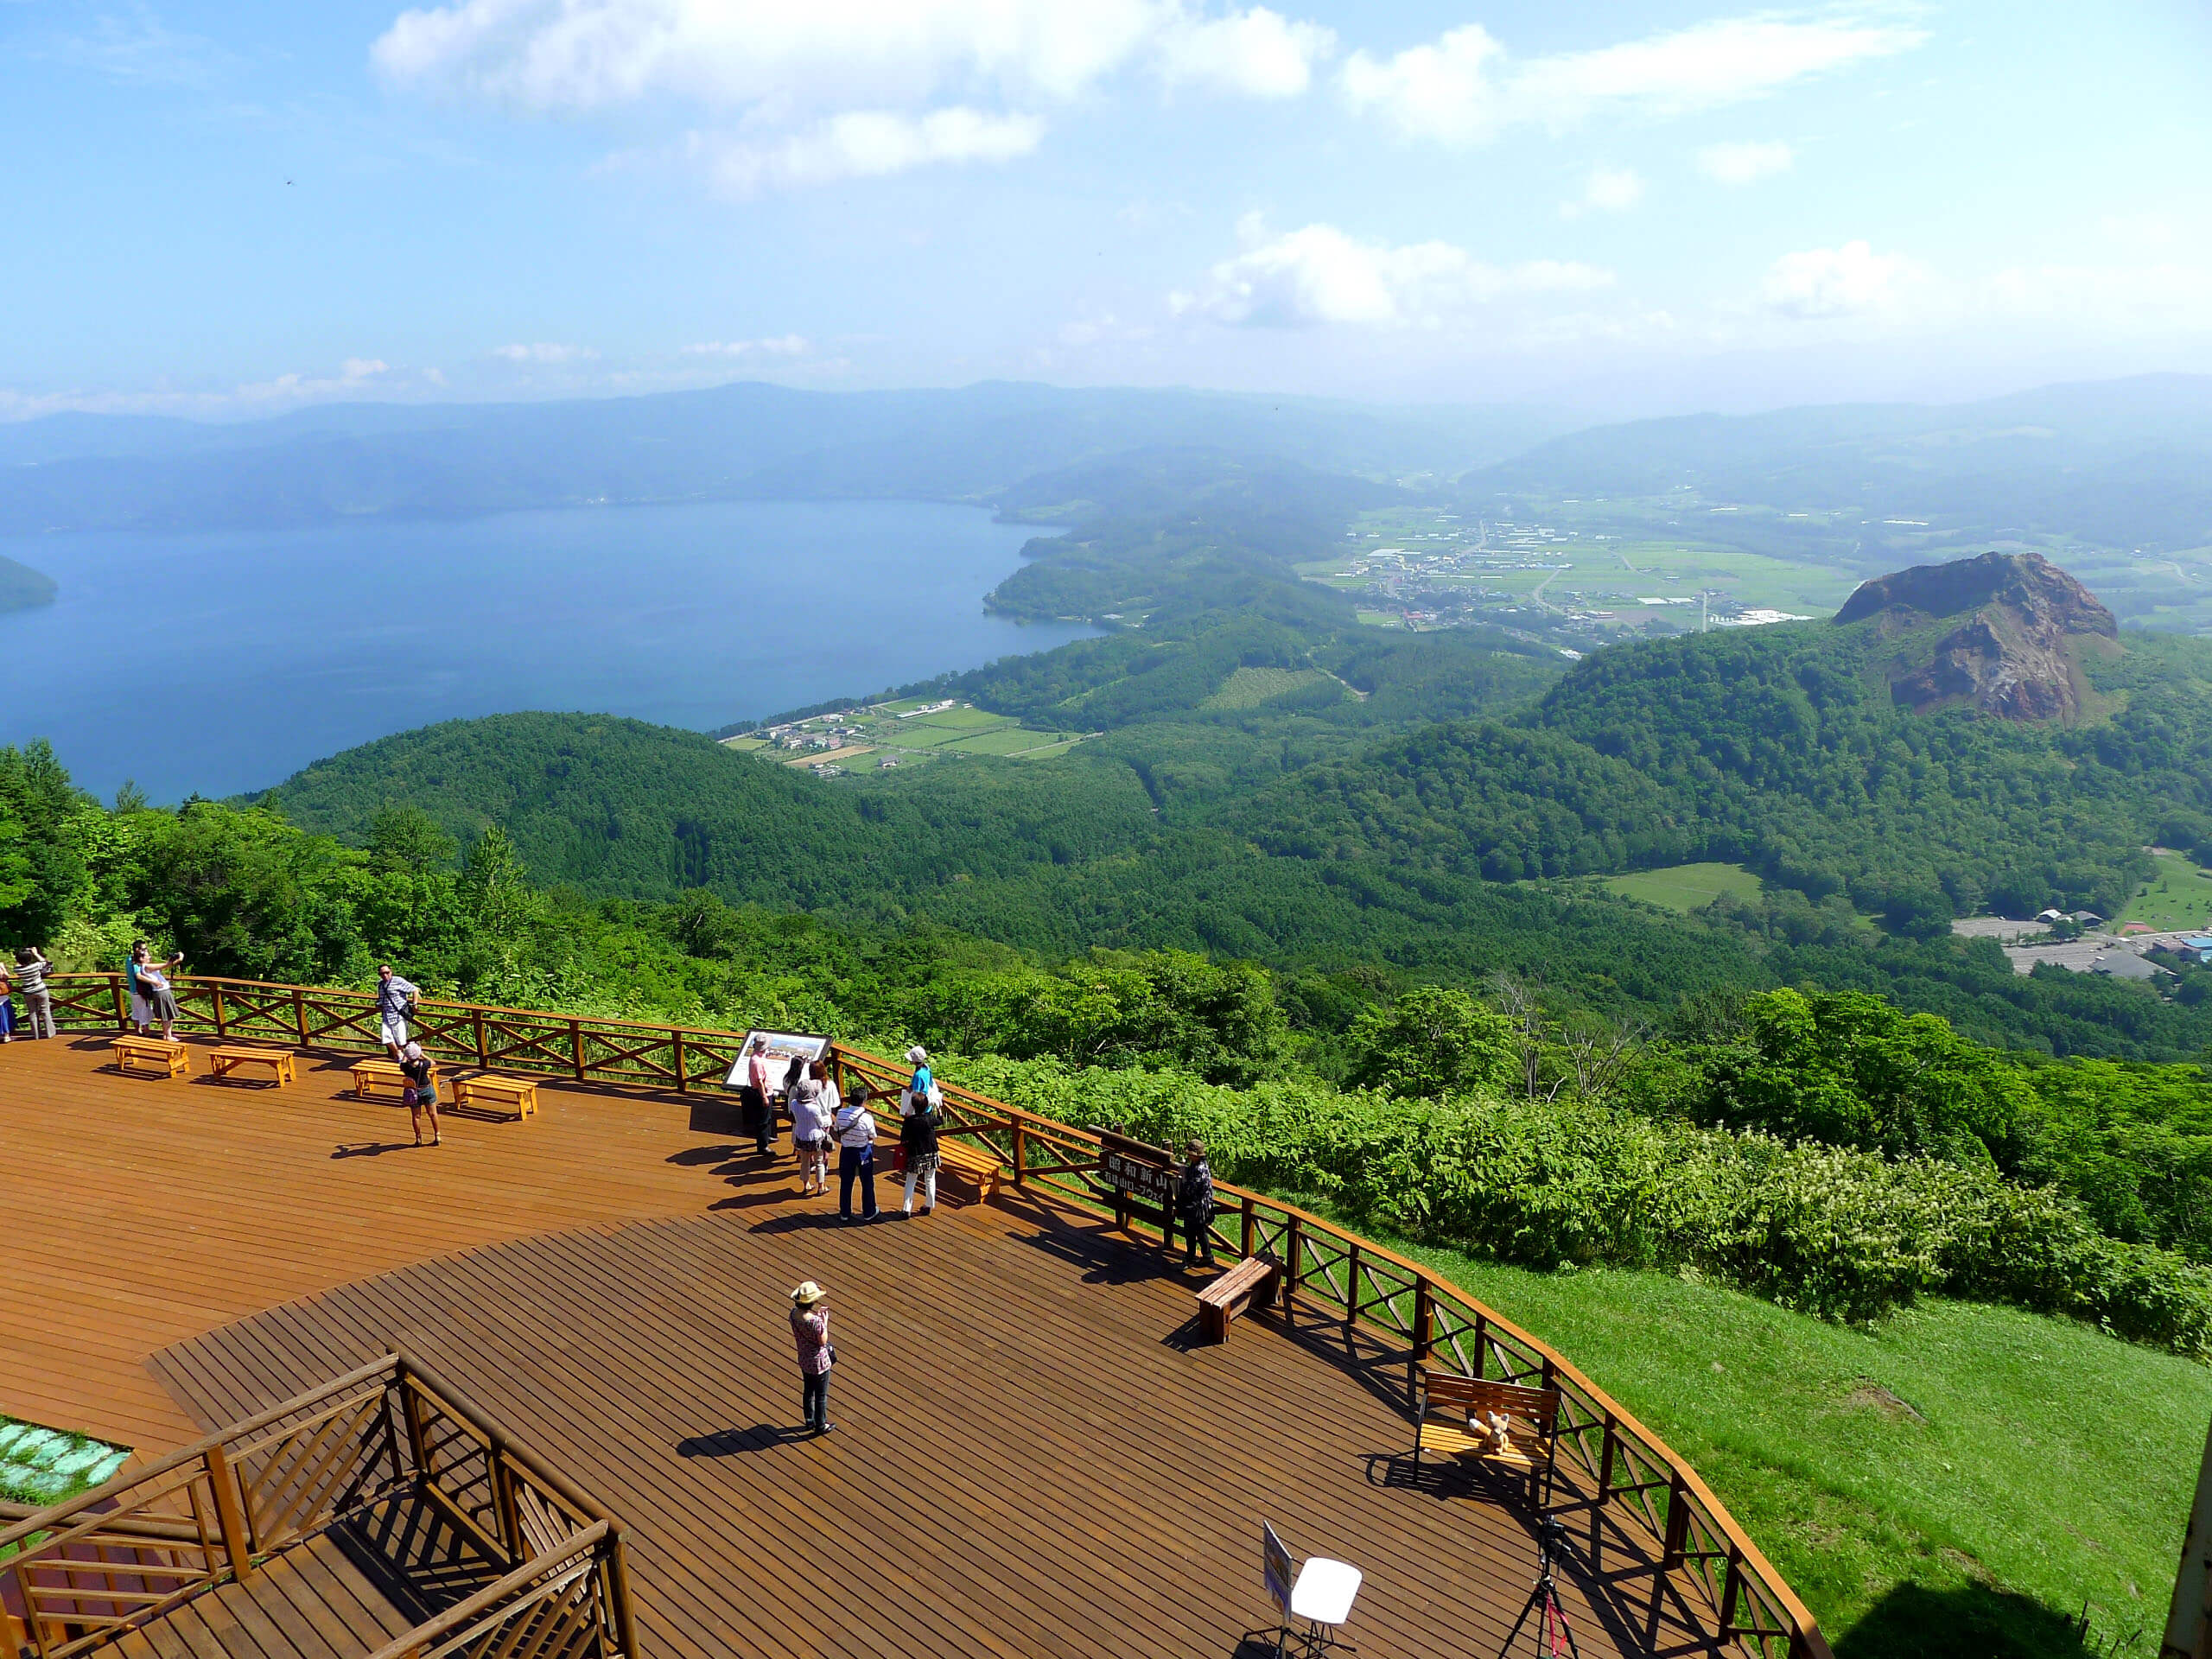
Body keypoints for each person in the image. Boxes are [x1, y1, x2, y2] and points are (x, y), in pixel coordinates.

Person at [789, 1281, 834, 1435]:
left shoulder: (793, 1315)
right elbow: (823, 1340)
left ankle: (809, 1420)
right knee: (821, 1395)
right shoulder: (815, 1322)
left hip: (804, 1359)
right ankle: (820, 1425)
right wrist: (824, 1322)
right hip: (819, 1362)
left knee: (808, 1391)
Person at [832, 1077, 880, 1224]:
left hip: (846, 1151)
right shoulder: (867, 1118)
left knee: (846, 1182)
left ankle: (845, 1212)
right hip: (863, 1151)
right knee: (867, 1182)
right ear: (864, 1101)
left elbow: (837, 1129)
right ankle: (869, 1211)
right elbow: (872, 1136)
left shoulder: (841, 1113)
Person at [787, 1059, 834, 1197]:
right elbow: (820, 1123)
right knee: (819, 1162)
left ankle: (806, 1184)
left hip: (801, 1136)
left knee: (805, 1163)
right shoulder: (814, 1108)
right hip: (815, 1138)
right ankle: (821, 1186)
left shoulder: (795, 1103)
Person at [899, 1074, 941, 1217]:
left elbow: (903, 1139)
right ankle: (929, 1205)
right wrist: (940, 1109)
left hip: (915, 1153)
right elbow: (940, 1121)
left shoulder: (909, 1122)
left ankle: (906, 1208)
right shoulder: (929, 1119)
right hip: (931, 1151)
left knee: (911, 1180)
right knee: (930, 1179)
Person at [1176, 1139, 1217, 1267]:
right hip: (1198, 1205)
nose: (1188, 1156)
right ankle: (1196, 1255)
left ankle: (1201, 1256)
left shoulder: (1199, 1169)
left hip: (1198, 1206)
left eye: (1190, 1154)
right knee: (1195, 1231)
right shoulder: (1198, 1165)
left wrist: (1183, 1178)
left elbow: (1191, 1189)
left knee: (1195, 1230)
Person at [136, 944, 183, 1042]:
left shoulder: (144, 967)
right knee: (167, 1016)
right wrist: (180, 957)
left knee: (167, 1015)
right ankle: (168, 1036)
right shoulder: (147, 966)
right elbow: (166, 965)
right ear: (141, 959)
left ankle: (167, 1035)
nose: (149, 956)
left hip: (160, 992)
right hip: (162, 992)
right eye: (147, 955)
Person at [399, 1040, 442, 1147]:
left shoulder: (405, 1067)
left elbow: (403, 1062)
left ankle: (418, 1137)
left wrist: (405, 1054)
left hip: (414, 1092)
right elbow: (433, 1062)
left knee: (416, 1116)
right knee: (433, 1114)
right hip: (427, 1089)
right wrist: (422, 1054)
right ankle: (437, 1135)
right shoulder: (424, 1064)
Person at [375, 964, 419, 1059]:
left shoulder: (398, 980)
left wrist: (415, 1004)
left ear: (391, 972)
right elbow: (381, 998)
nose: (385, 975)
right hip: (386, 1015)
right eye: (382, 973)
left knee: (401, 1040)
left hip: (398, 1015)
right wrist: (379, 1004)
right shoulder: (381, 985)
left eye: (387, 972)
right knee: (386, 1037)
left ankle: (402, 1059)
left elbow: (415, 989)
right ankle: (399, 1055)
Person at [741, 1036, 774, 1158]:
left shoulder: (758, 1057)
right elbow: (759, 1081)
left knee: (767, 1117)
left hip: (766, 1091)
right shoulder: (757, 1061)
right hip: (761, 1092)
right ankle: (763, 1146)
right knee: (763, 1120)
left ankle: (766, 1138)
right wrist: (764, 1097)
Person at [14, 948, 54, 1040]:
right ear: (30, 958)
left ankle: (36, 1035)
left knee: (32, 1013)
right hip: (40, 990)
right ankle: (50, 1033)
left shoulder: (17, 969)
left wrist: (21, 958)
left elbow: (18, 964)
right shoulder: (35, 966)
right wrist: (36, 953)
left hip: (28, 992)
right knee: (45, 1011)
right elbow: (46, 962)